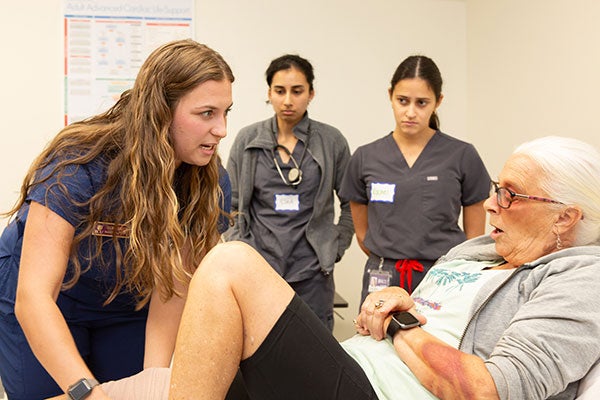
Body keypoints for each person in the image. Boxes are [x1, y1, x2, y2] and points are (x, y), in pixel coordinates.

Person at [67, 135, 600, 400]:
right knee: (125, 392)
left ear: (564, 219)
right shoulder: (479, 253)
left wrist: (398, 324)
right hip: (355, 363)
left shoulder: (581, 277)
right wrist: (398, 306)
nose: (489, 205)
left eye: (509, 194)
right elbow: (427, 315)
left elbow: (488, 389)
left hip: (379, 392)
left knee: (230, 263)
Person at [0, 39, 234, 400]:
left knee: (139, 391)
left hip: (127, 299)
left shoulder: (210, 181)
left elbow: (172, 289)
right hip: (49, 297)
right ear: (162, 111)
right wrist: (86, 392)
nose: (221, 130)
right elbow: (33, 298)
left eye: (225, 112)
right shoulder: (78, 165)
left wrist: (156, 383)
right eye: (207, 114)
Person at [339, 55, 490, 304]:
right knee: (377, 340)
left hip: (442, 278)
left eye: (422, 103)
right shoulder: (366, 157)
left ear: (438, 101)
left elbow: (473, 240)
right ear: (390, 96)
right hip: (383, 277)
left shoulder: (462, 155)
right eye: (402, 101)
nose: (411, 112)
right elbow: (363, 236)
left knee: (436, 341)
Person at [224, 54, 353, 330]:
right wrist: (243, 251)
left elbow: (351, 205)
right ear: (269, 93)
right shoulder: (248, 140)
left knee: (313, 361)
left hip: (312, 276)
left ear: (311, 93)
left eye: (297, 91)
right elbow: (229, 205)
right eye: (280, 91)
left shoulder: (332, 141)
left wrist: (333, 249)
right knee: (260, 357)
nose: (288, 100)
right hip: (259, 273)